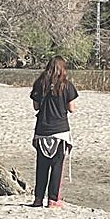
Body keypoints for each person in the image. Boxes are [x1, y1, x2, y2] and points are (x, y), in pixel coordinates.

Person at [30, 55, 78, 209]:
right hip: (60, 131)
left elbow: (36, 107)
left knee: (41, 167)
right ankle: (53, 199)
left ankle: (38, 198)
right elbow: (72, 108)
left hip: (42, 130)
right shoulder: (67, 86)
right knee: (57, 166)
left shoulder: (39, 84)